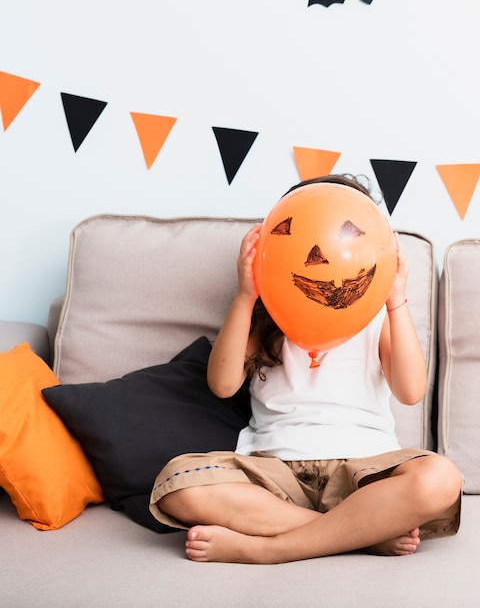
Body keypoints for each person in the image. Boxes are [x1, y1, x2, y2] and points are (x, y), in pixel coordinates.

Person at [150, 175, 462, 564]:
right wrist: (246, 295)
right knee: (177, 483)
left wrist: (395, 300)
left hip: (363, 474)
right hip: (274, 473)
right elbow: (222, 385)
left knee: (442, 478)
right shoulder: (267, 316)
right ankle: (359, 532)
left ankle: (271, 549)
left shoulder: (377, 317)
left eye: (346, 232)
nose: (321, 252)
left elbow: (411, 391)